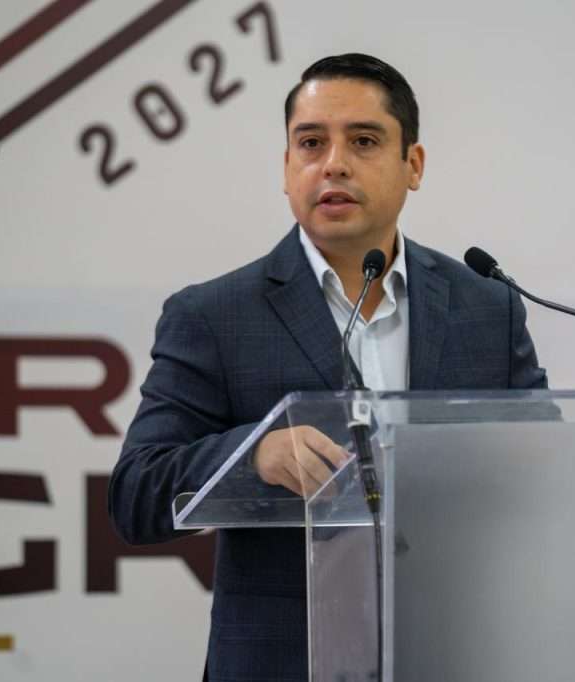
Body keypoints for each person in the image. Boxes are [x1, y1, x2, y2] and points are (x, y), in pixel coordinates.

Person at [109, 53, 548, 681]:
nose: (334, 163)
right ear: (287, 167)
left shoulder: (487, 307)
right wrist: (252, 457)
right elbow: (135, 495)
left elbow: (548, 478)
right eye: (311, 143)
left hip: (454, 656)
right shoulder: (213, 315)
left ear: (413, 165)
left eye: (364, 141)